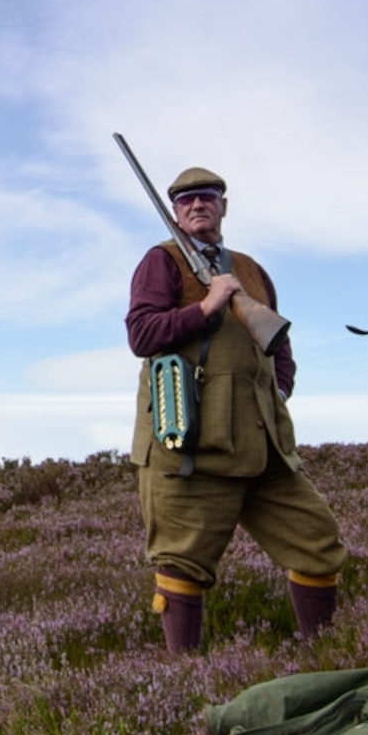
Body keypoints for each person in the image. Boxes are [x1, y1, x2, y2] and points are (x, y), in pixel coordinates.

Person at [126, 166, 348, 655]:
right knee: (181, 562)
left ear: (223, 205)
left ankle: (328, 661)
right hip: (191, 444)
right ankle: (184, 680)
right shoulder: (160, 262)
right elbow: (141, 336)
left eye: (207, 197)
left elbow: (279, 345)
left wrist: (280, 392)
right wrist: (205, 307)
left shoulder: (250, 268)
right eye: (184, 201)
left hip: (265, 444)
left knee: (316, 541)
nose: (196, 205)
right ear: (175, 213)